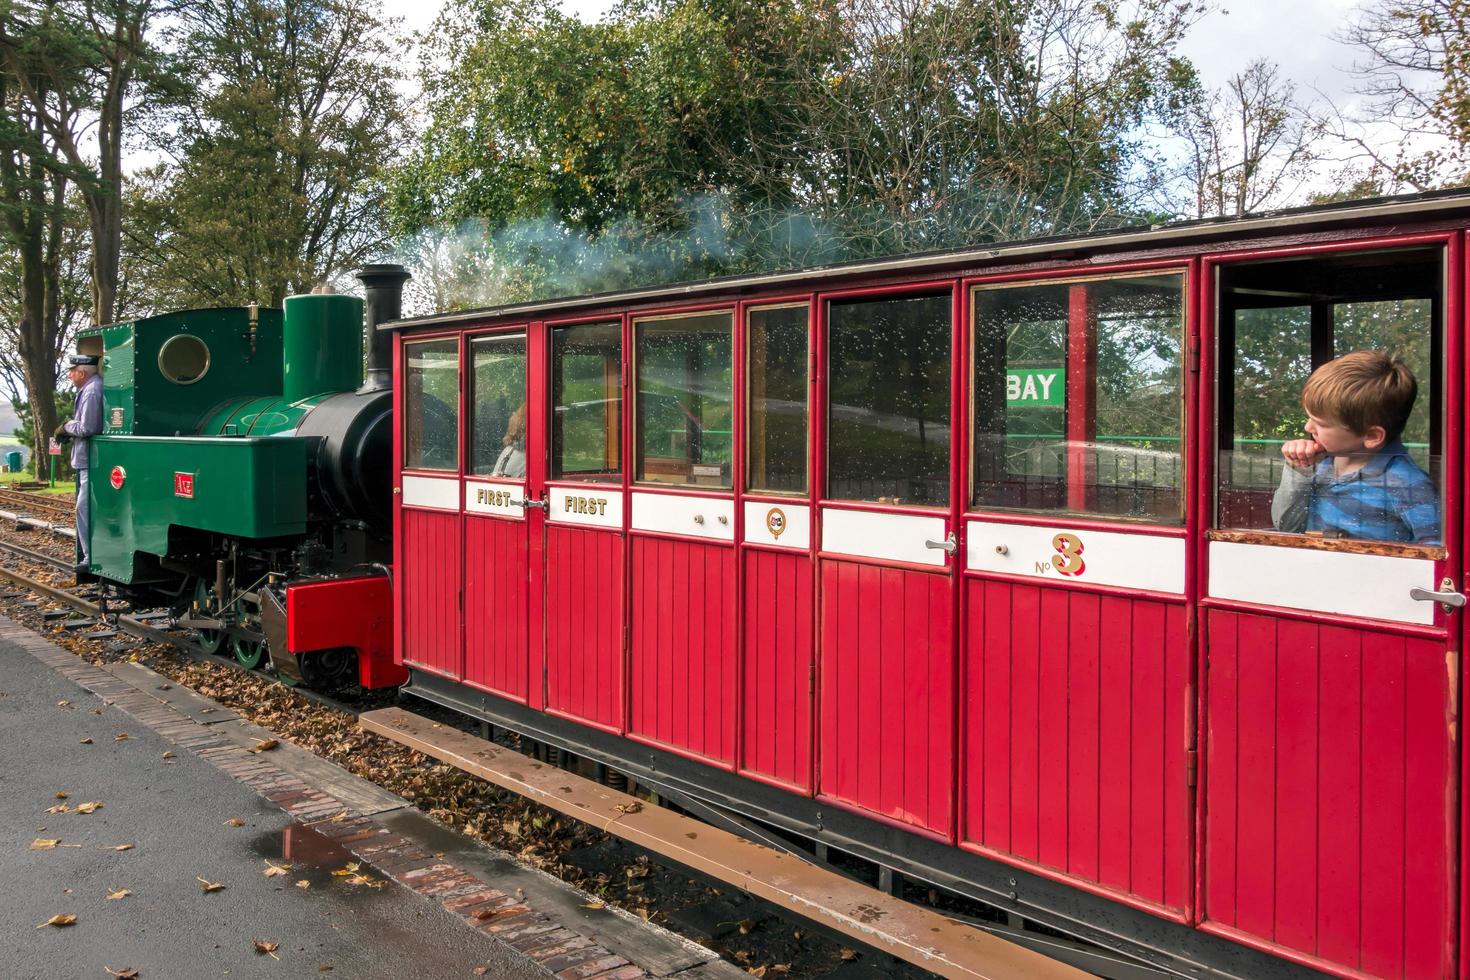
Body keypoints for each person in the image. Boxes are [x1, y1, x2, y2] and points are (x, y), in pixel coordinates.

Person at [1271, 350, 1440, 545]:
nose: (1307, 428)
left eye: (1321, 424)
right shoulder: (1322, 464)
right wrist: (1299, 470)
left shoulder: (1407, 484)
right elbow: (1285, 527)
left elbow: (1435, 552)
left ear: (1371, 436)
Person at [54, 354, 103, 570]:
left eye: (72, 371)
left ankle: (90, 557)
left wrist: (66, 427)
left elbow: (86, 427)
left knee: (83, 508)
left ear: (82, 372)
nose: (70, 375)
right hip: (88, 460)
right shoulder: (90, 388)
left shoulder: (92, 391)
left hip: (91, 461)